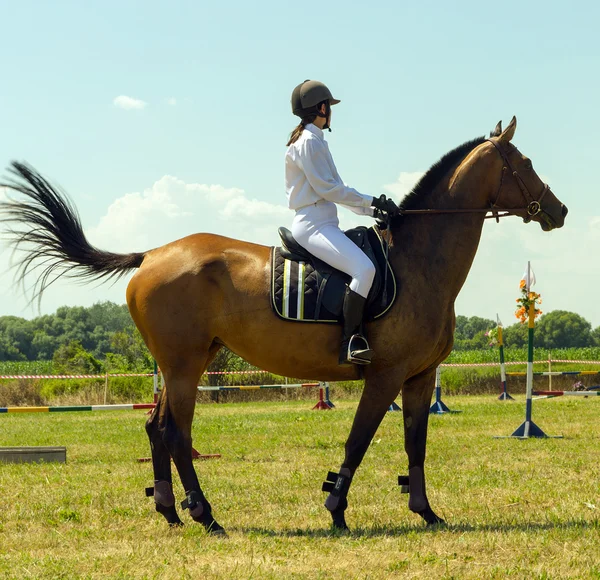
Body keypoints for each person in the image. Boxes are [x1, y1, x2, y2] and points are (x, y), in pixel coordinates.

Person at [285, 79, 399, 365]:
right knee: (364, 269)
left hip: (323, 220)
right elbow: (330, 190)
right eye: (329, 107)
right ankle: (351, 341)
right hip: (314, 224)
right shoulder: (309, 142)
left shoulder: (314, 141)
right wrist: (374, 201)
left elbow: (337, 190)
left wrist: (374, 212)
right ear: (322, 108)